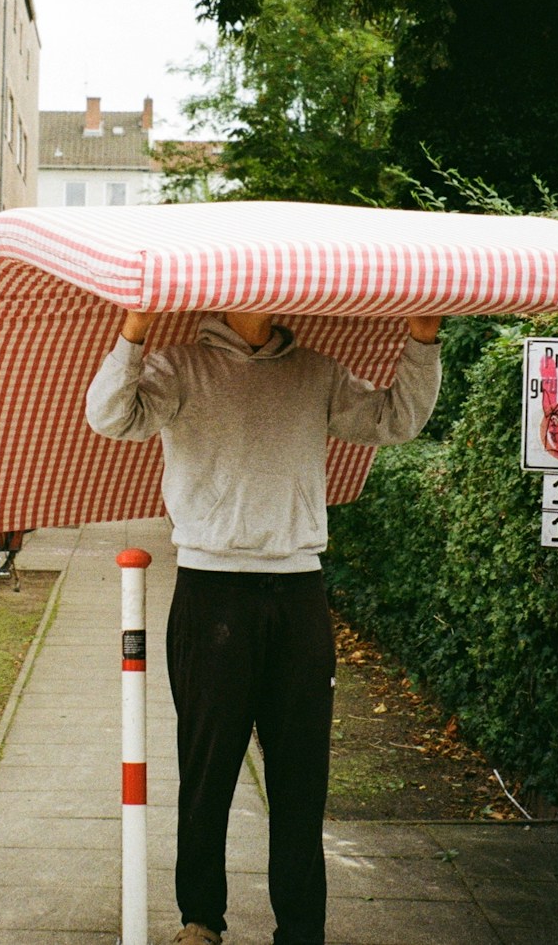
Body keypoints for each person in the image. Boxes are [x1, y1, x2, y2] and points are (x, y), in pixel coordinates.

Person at [86, 308, 442, 945]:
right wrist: (133, 332)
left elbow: (396, 420)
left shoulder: (315, 372)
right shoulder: (178, 366)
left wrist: (422, 340)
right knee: (207, 770)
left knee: (302, 776)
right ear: (222, 296)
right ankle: (200, 919)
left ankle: (301, 928)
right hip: (211, 588)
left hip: (299, 589)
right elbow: (111, 418)